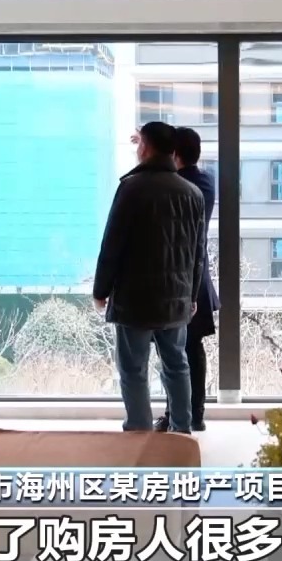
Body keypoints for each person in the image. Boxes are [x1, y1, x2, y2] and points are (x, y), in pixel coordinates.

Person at [94, 121, 205, 434]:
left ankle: (139, 433)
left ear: (147, 147)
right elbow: (198, 253)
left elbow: (112, 244)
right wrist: (192, 295)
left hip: (135, 299)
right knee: (177, 365)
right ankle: (181, 432)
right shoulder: (193, 193)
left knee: (133, 369)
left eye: (139, 142)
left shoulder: (131, 188)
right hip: (177, 297)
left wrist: (101, 290)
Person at [153, 127, 218, 433]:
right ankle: (194, 414)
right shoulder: (206, 182)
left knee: (174, 352)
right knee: (191, 348)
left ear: (174, 154)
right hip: (197, 278)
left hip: (181, 279)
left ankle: (178, 414)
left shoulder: (179, 186)